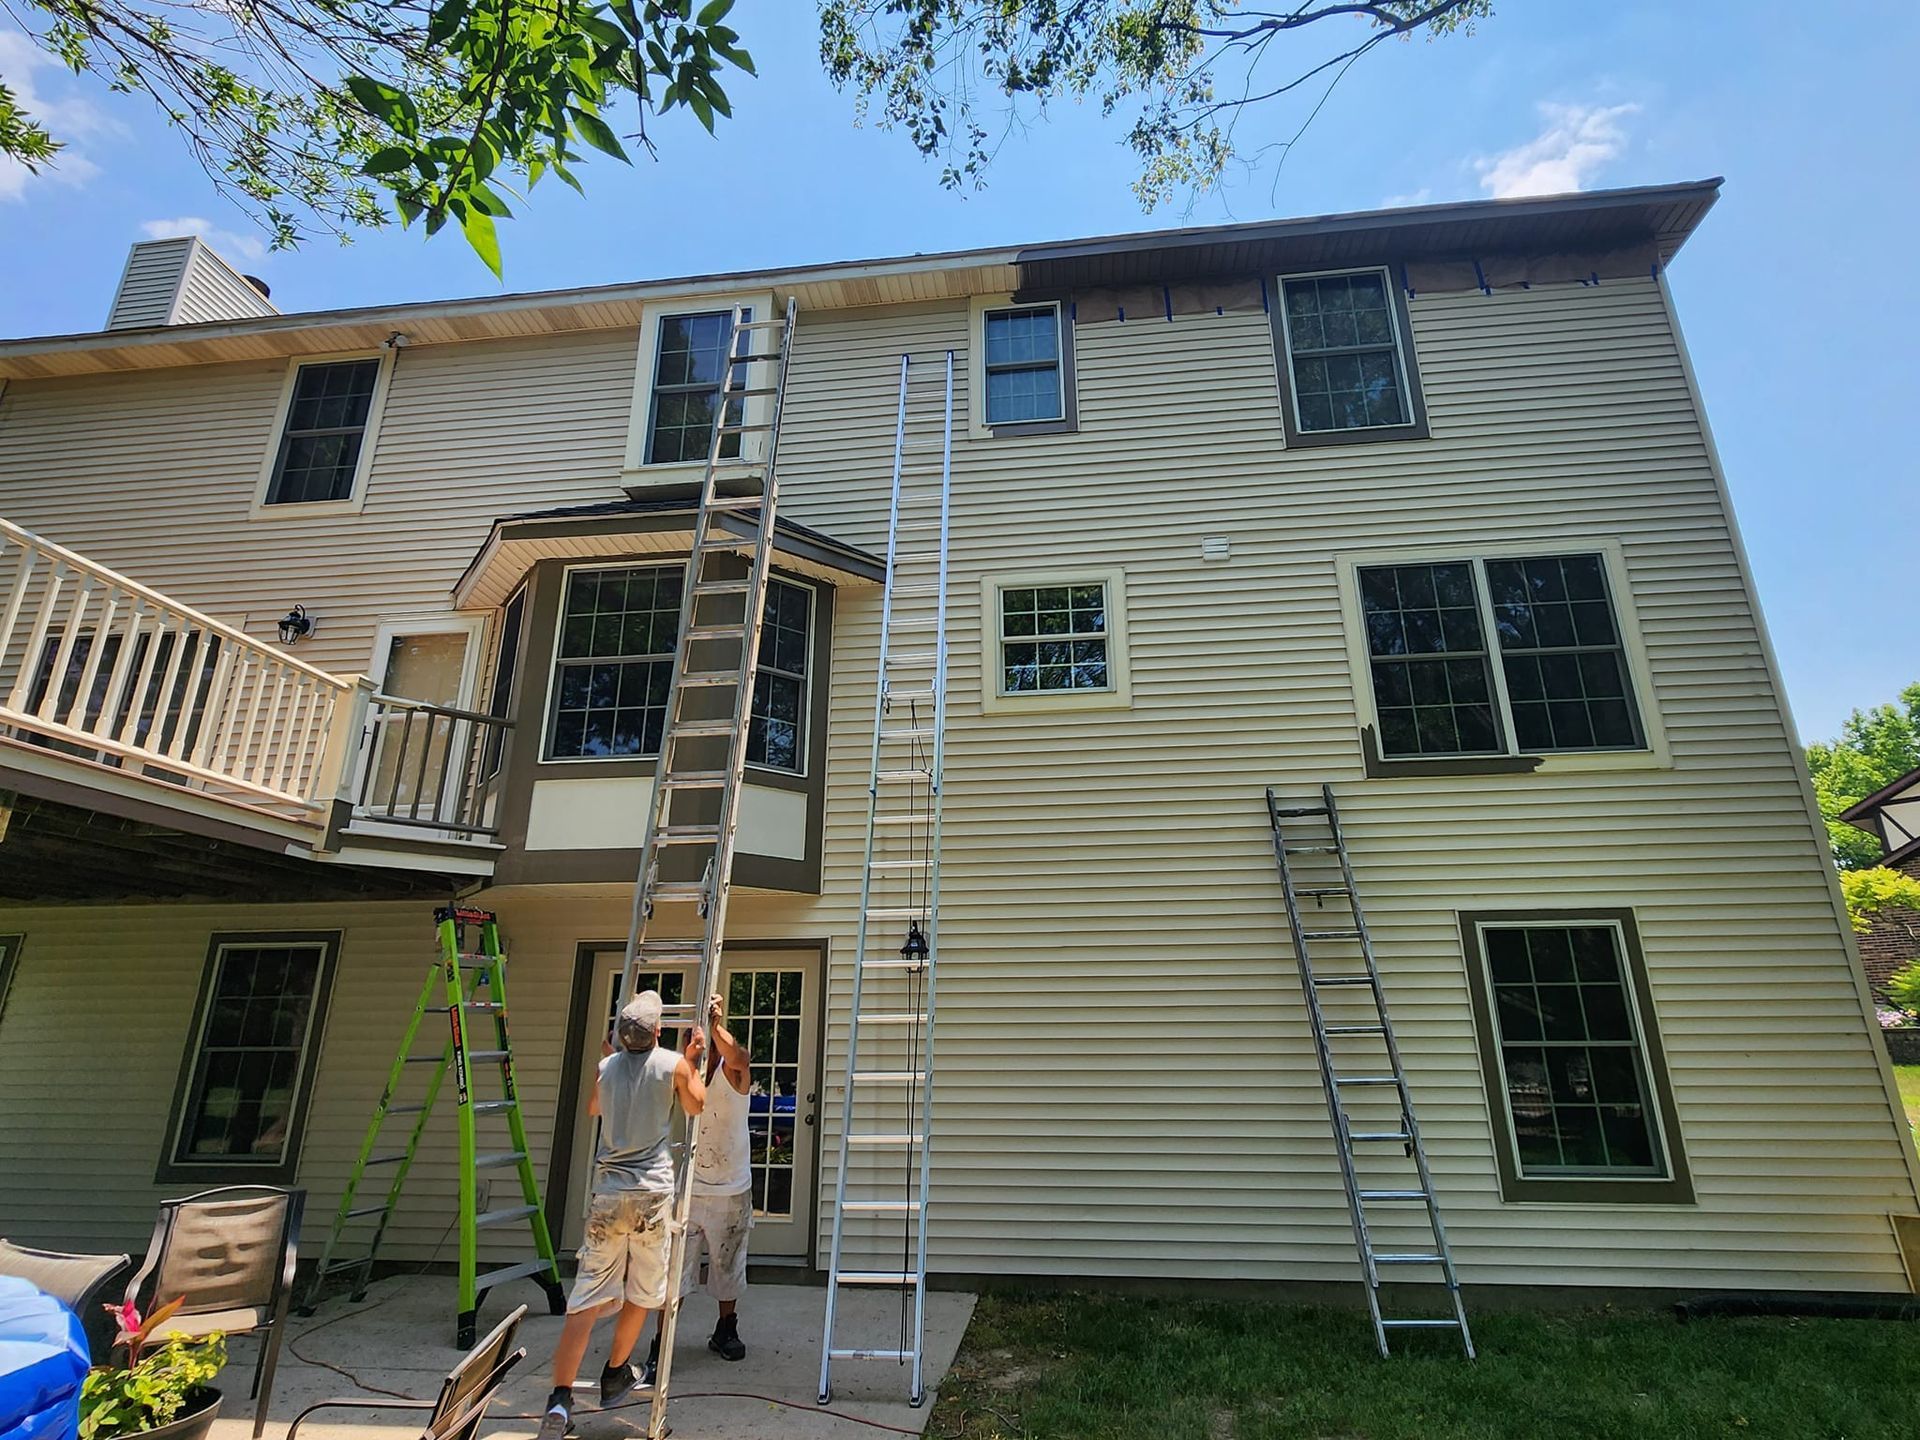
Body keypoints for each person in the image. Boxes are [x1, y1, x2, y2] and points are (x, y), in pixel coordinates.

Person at [537, 990, 705, 1440]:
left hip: (608, 1194)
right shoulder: (671, 1064)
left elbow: (595, 1108)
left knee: (587, 1298)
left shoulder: (607, 1067)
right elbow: (696, 1105)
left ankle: (559, 1398)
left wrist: (608, 1066)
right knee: (643, 1293)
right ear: (658, 1031)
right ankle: (615, 1373)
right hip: (650, 1195)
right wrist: (693, 1060)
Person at [643, 991, 754, 1380]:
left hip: (731, 1187)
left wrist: (716, 1023)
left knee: (726, 1267)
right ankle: (662, 1342)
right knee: (674, 1270)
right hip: (689, 1187)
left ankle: (726, 1329)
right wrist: (691, 1053)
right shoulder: (685, 1073)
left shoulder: (735, 1073)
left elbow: (740, 1056)